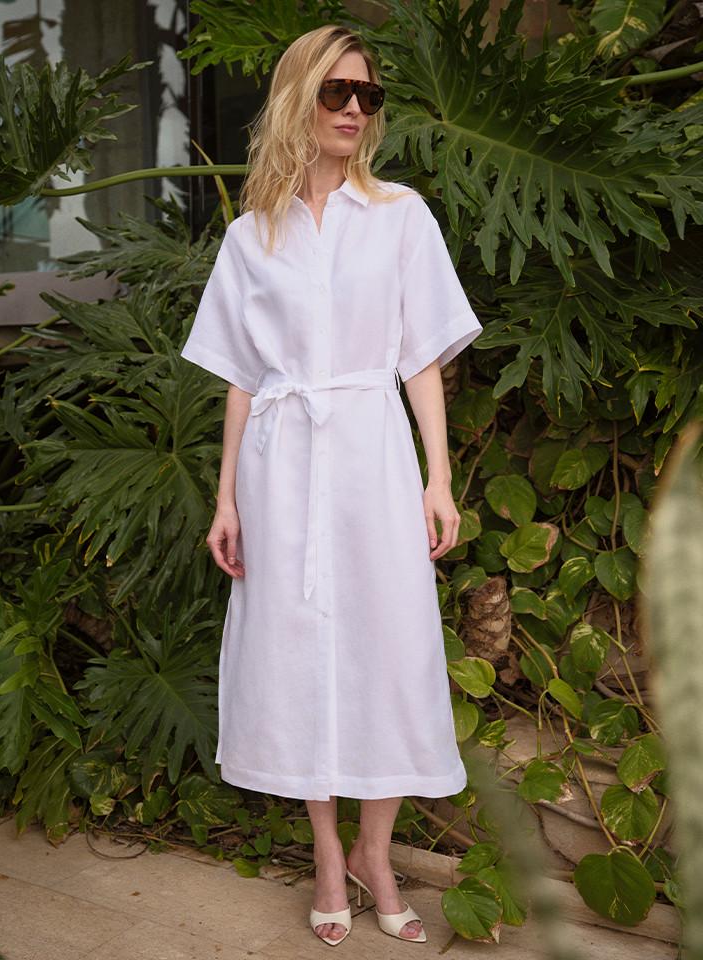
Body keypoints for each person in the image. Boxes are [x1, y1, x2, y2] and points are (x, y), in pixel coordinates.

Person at [180, 23, 483, 947]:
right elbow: (242, 377)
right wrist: (226, 498)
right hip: (279, 464)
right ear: (297, 100)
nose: (354, 109)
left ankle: (375, 854)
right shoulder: (251, 235)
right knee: (296, 650)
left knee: (389, 647)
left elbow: (421, 358)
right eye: (336, 92)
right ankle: (325, 854)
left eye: (368, 95)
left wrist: (439, 479)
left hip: (372, 455)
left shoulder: (401, 216)